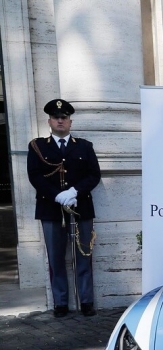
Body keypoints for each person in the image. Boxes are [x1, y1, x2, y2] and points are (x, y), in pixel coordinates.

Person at [27, 99, 101, 317]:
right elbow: (35, 176)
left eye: (64, 117)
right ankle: (61, 302)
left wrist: (74, 191)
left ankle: (86, 301)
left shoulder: (84, 146)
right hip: (51, 211)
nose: (60, 120)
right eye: (56, 117)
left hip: (81, 208)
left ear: (70, 121)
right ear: (49, 121)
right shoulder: (38, 146)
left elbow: (94, 175)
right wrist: (57, 195)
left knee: (83, 255)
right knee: (56, 258)